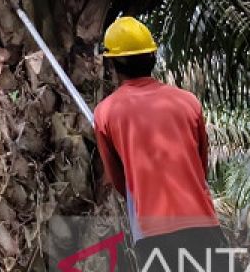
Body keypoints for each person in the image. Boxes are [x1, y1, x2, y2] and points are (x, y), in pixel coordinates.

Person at [93, 16, 231, 272]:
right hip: (203, 225)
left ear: (111, 64)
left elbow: (119, 181)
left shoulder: (105, 113)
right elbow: (200, 167)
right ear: (153, 58)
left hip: (152, 234)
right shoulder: (188, 102)